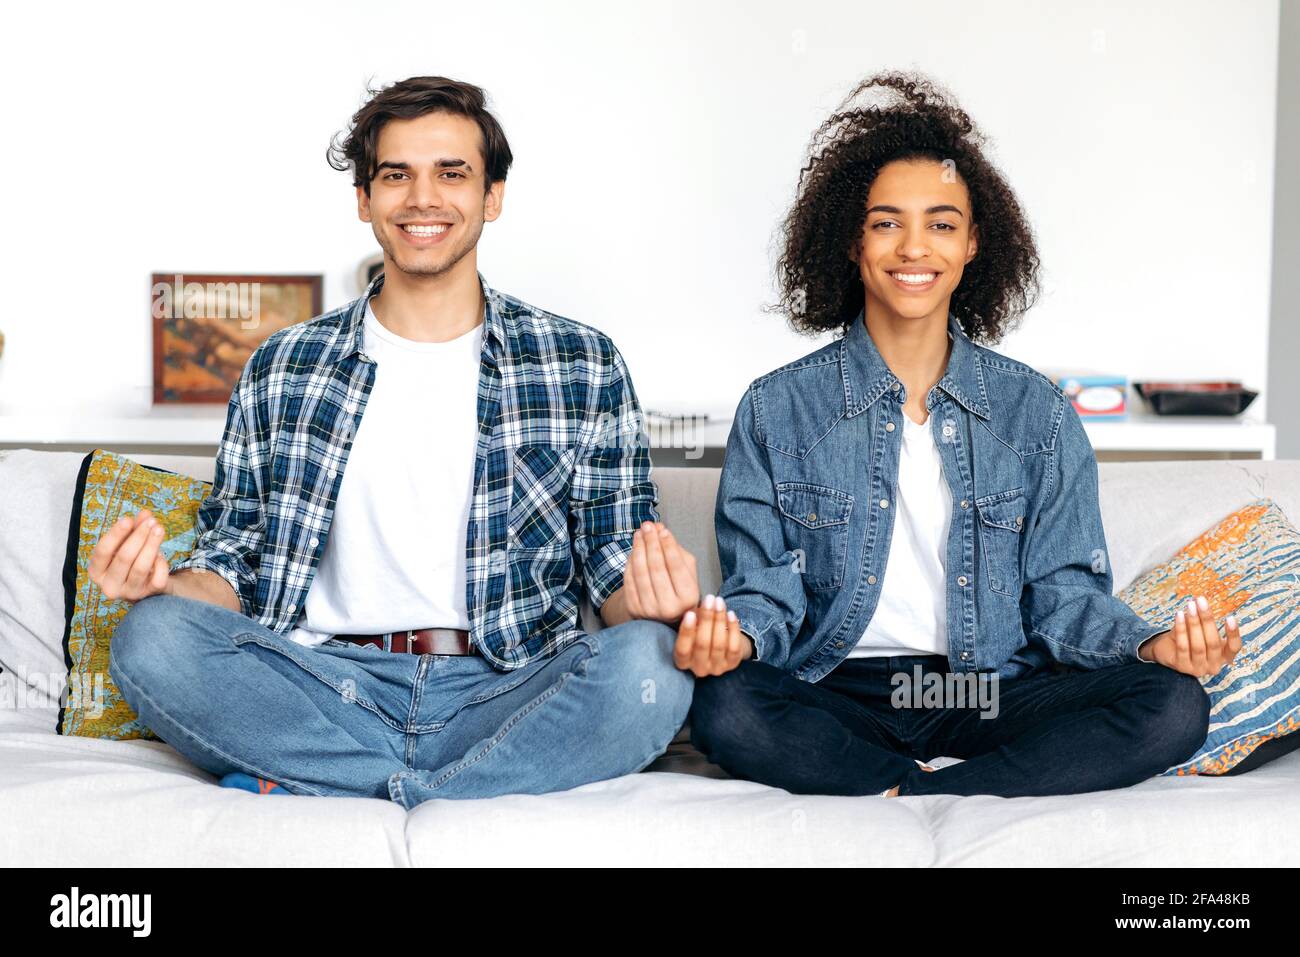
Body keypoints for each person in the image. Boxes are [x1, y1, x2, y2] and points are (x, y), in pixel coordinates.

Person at [91, 76, 700, 809]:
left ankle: (345, 784)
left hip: (506, 688)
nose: (422, 198)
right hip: (324, 686)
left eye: (452, 173)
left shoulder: (580, 362)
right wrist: (165, 587)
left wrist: (660, 601)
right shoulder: (284, 366)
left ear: (492, 196)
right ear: (364, 199)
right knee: (150, 637)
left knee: (656, 664)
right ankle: (458, 791)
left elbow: (613, 570)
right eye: (396, 175)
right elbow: (237, 565)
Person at [682, 70, 1240, 800]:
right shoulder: (774, 409)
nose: (915, 247)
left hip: (984, 692)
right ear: (851, 240)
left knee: (1174, 704)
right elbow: (766, 594)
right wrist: (735, 637)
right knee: (723, 703)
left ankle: (924, 794)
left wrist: (1151, 643)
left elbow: (1063, 593)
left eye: (941, 223)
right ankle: (939, 788)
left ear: (975, 242)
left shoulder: (1038, 413)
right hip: (840, 688)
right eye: (887, 222)